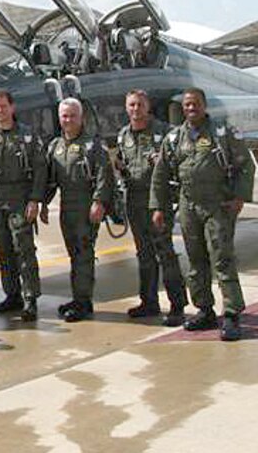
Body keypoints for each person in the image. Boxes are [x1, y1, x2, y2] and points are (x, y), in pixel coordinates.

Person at [150, 87, 254, 341]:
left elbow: (246, 165)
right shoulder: (174, 139)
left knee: (222, 258)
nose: (191, 108)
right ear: (182, 108)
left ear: (204, 106)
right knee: (195, 261)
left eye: (196, 104)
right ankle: (204, 309)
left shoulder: (222, 134)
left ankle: (231, 313)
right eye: (187, 105)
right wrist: (157, 207)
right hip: (188, 206)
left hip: (218, 205)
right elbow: (161, 175)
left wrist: (240, 197)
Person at [115, 90, 187, 327]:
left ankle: (177, 305)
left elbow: (181, 163)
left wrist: (164, 162)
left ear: (148, 107)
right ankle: (149, 302)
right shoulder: (123, 135)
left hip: (158, 200)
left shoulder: (165, 133)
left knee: (165, 253)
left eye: (140, 105)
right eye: (131, 105)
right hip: (134, 202)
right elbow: (123, 167)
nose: (135, 109)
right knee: (144, 254)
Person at [0, 90, 46, 321]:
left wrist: (35, 199)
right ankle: (12, 295)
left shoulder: (27, 136)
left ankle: (30, 298)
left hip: (20, 199)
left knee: (24, 249)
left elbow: (40, 170)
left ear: (12, 108)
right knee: (4, 250)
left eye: (3, 106)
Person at [41, 98, 113, 322]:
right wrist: (42, 203)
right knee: (74, 254)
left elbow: (104, 175)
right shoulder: (56, 146)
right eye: (64, 116)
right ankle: (78, 298)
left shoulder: (93, 145)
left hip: (86, 206)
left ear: (81, 118)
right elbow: (49, 179)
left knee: (83, 254)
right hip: (66, 207)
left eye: (72, 115)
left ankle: (83, 301)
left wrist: (99, 201)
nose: (68, 120)